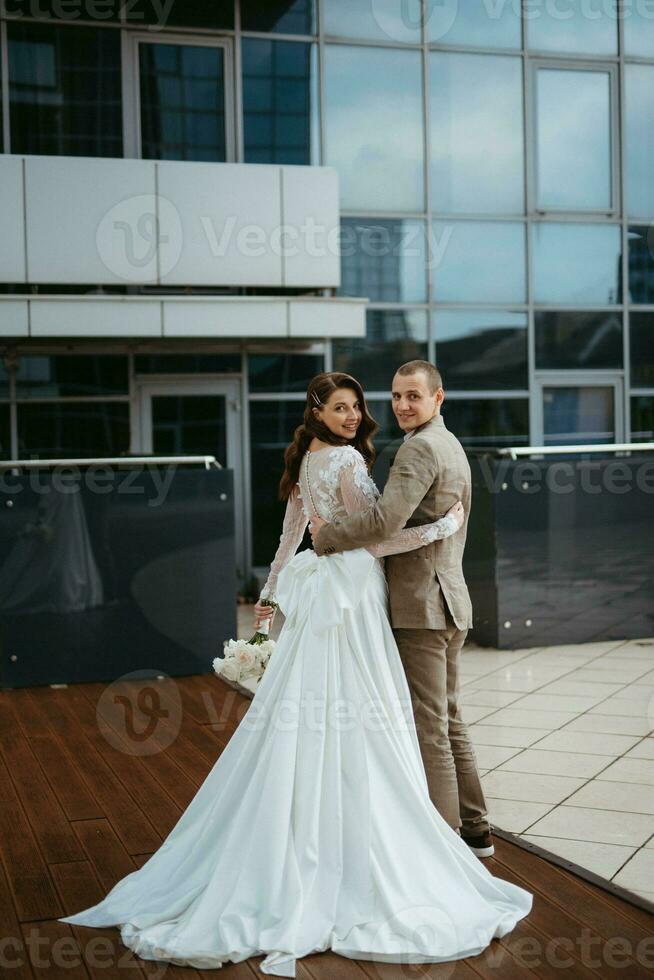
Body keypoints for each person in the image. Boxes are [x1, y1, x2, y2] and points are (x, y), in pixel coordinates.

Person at [58, 371, 532, 977]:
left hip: (319, 600)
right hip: (353, 596)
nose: (355, 417)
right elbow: (369, 539)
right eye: (342, 408)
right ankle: (423, 840)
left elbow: (290, 539)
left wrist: (267, 603)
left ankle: (354, 829)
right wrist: (439, 529)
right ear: (318, 411)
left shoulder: (306, 460)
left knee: (313, 715)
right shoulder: (343, 462)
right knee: (375, 714)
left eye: (358, 407)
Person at [310, 359, 493, 856]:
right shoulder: (451, 444)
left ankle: (444, 844)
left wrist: (328, 538)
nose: (402, 405)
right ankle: (476, 829)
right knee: (449, 718)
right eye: (395, 396)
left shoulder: (419, 450)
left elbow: (385, 521)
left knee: (429, 725)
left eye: (413, 396)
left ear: (438, 397)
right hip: (450, 600)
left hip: (422, 607)